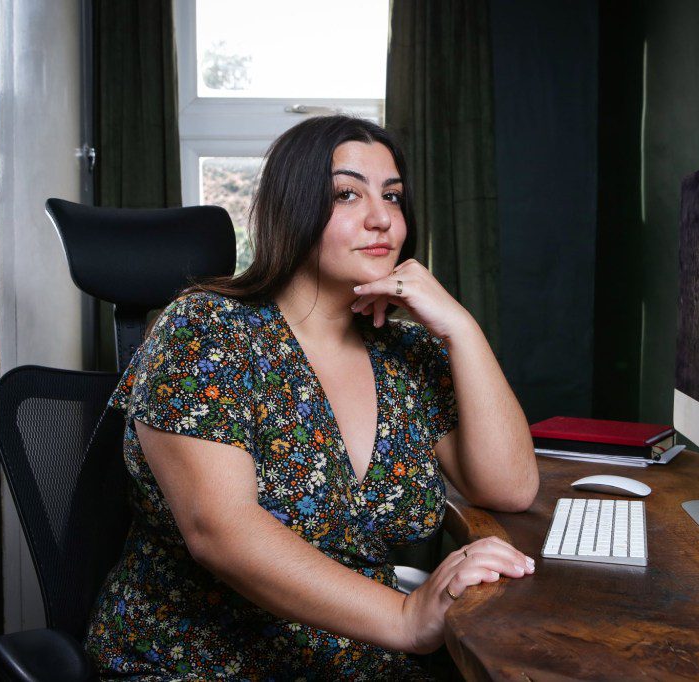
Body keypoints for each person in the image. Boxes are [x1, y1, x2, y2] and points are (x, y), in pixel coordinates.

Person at [85, 115, 539, 680]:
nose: (381, 219)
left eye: (393, 197)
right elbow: (220, 533)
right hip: (204, 663)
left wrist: (461, 329)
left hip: (361, 661)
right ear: (292, 208)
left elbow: (511, 487)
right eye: (347, 194)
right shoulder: (208, 327)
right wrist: (405, 616)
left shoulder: (406, 351)